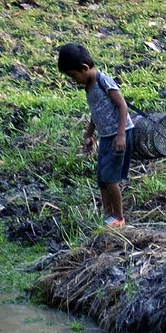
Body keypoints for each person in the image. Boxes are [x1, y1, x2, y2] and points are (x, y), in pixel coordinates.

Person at [56, 42, 131, 226]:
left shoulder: (103, 81)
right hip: (106, 136)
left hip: (118, 135)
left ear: (84, 68)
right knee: (102, 178)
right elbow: (96, 112)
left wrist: (121, 135)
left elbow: (122, 106)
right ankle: (108, 215)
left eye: (74, 75)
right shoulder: (88, 86)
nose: (74, 80)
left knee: (111, 178)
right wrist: (89, 134)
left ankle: (119, 217)